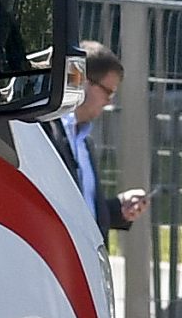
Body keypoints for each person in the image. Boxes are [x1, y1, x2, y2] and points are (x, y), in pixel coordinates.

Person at [56, 40, 150, 249]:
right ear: (83, 82)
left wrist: (118, 209)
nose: (109, 102)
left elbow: (85, 210)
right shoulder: (46, 133)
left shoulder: (84, 143)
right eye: (108, 92)